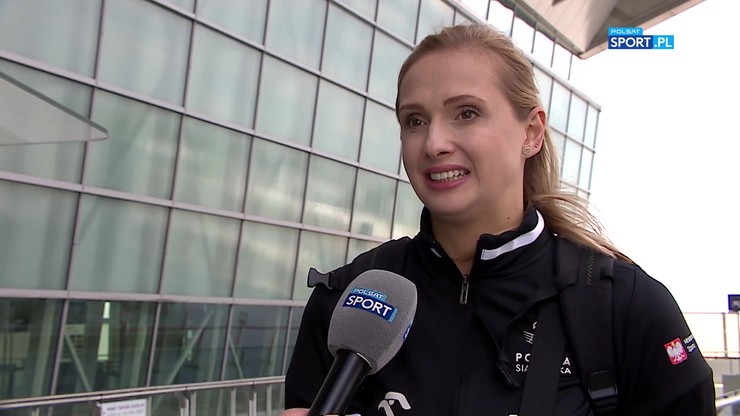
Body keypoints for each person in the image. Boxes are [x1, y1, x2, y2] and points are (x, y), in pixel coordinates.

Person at [281, 23, 716, 416]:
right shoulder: (347, 298)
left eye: (466, 113)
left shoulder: (624, 304)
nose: (433, 143)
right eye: (415, 120)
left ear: (531, 132)